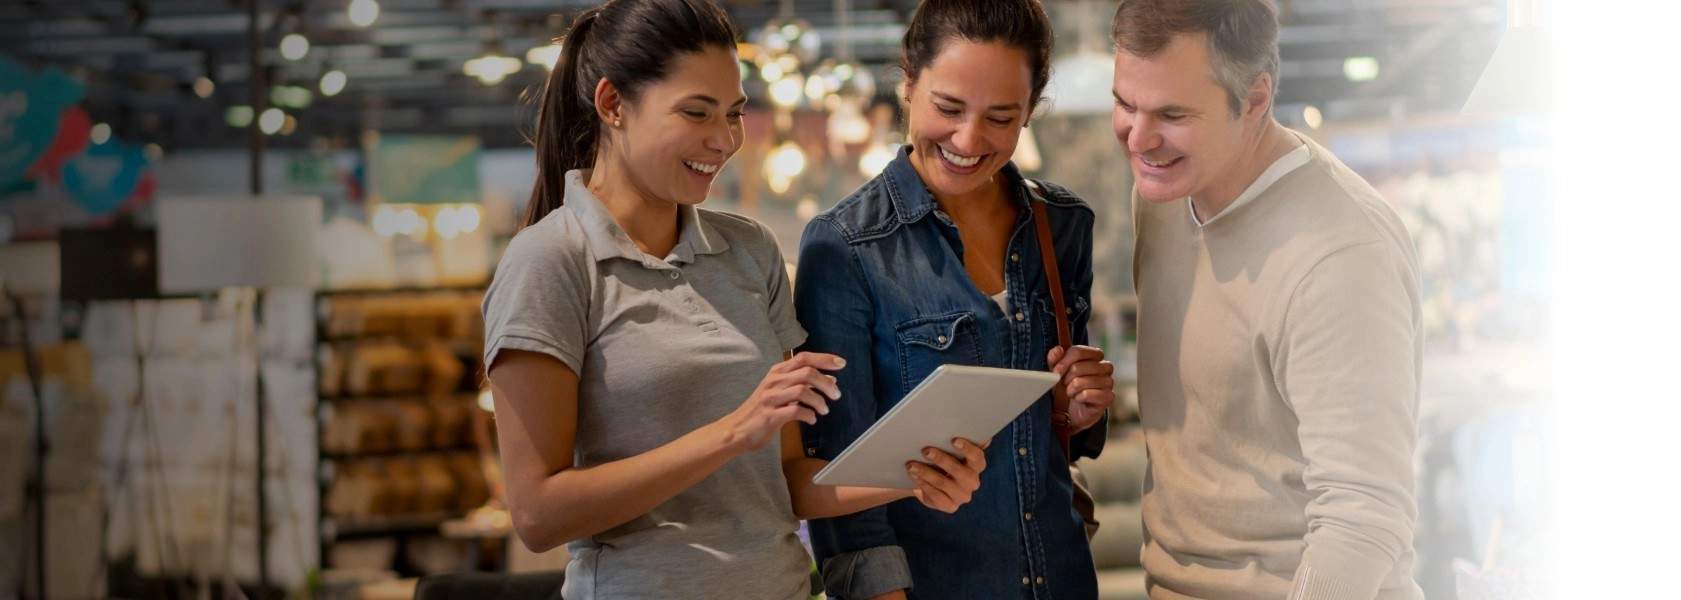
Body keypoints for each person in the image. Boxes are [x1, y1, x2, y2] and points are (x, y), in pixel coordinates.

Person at [482, 1, 987, 598]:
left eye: (735, 113)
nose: (723, 141)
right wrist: (733, 431)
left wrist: (910, 473)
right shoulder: (550, 260)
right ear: (613, 104)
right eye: (697, 112)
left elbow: (785, 481)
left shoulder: (749, 250)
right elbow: (538, 514)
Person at [790, 1, 1117, 598]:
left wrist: (1080, 409)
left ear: (1030, 112)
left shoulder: (1063, 225)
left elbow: (1056, 439)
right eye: (948, 108)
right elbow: (840, 481)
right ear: (908, 82)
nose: (968, 139)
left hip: (1063, 576)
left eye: (1000, 117)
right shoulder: (844, 247)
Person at [1110, 0, 1425, 598]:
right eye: (1125, 104)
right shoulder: (1164, 195)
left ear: (1254, 99)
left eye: (1173, 113)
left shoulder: (1341, 255)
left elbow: (1362, 517)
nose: (1140, 138)